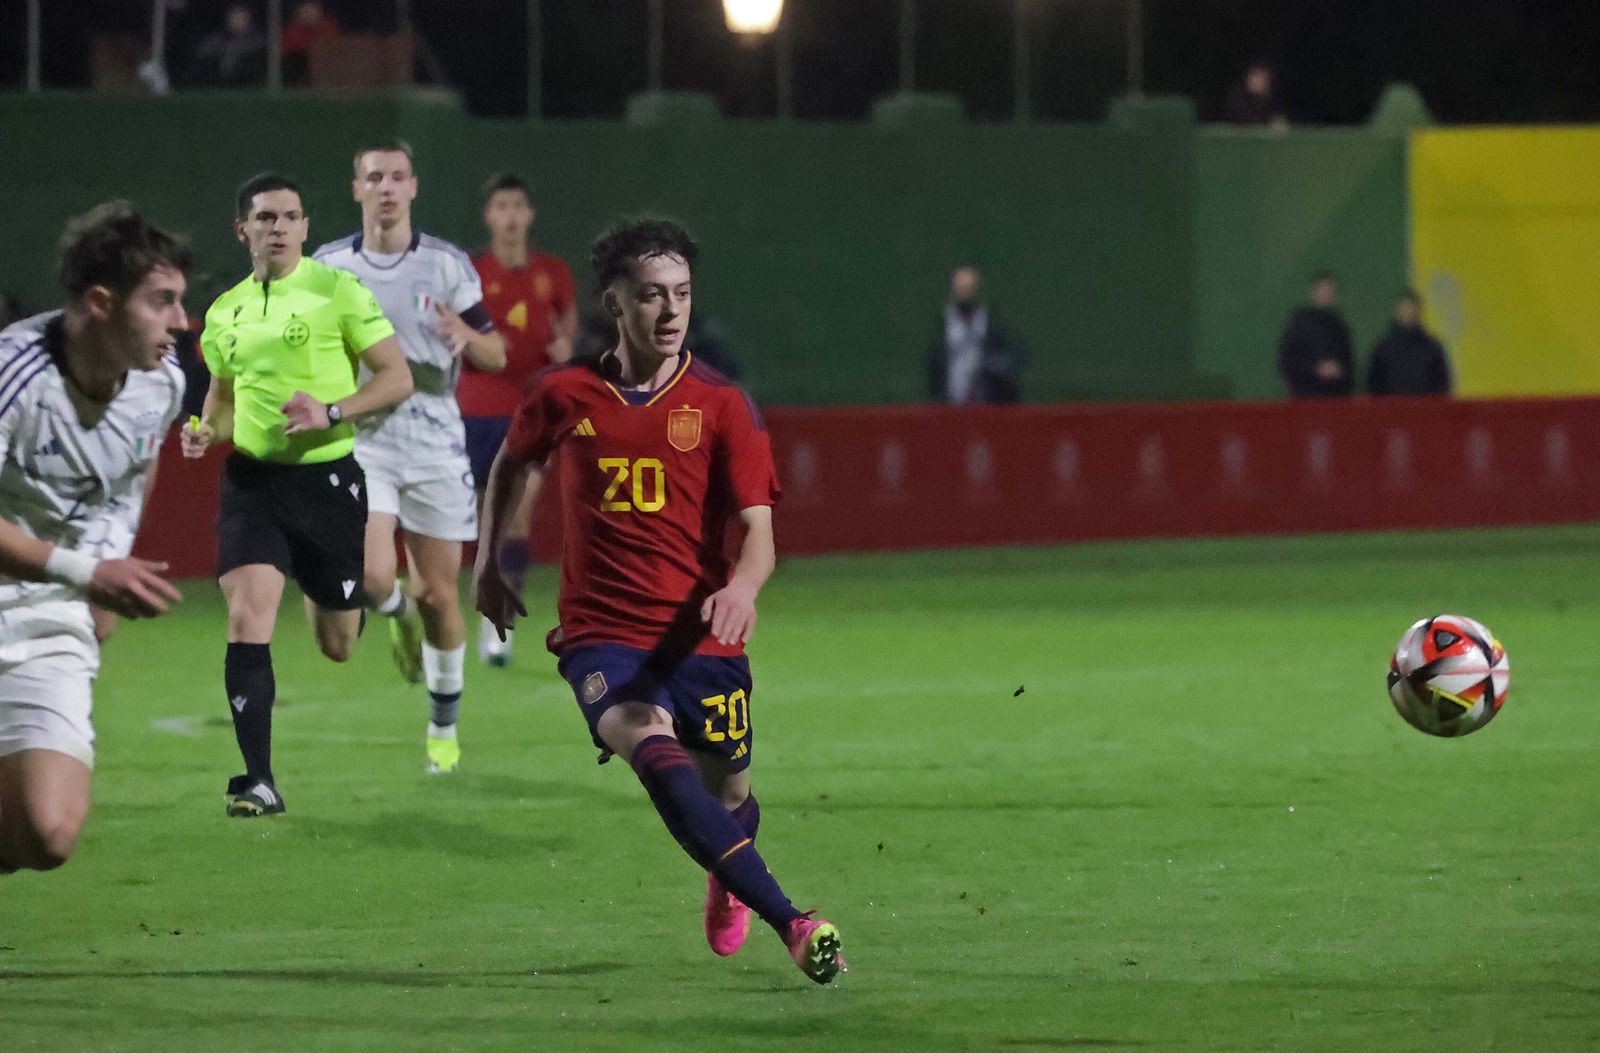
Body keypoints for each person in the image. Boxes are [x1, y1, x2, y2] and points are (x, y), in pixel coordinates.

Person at [474, 216, 846, 985]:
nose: (671, 309)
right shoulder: (564, 393)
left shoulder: (722, 403)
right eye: (651, 294)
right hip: (602, 636)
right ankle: (794, 921)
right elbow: (512, 462)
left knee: (729, 791)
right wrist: (489, 563)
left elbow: (760, 531)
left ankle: (726, 871)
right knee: (653, 752)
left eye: (681, 293)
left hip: (702, 638)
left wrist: (742, 586)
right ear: (614, 301)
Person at [184, 173, 413, 817]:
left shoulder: (338, 291)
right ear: (243, 229)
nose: (278, 228)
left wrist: (331, 411)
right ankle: (259, 780)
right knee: (246, 616)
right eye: (265, 217)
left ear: (306, 227)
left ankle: (378, 600)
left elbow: (396, 378)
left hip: (327, 484)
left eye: (289, 217)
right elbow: (222, 401)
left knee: (338, 645)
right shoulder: (224, 312)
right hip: (253, 484)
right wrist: (206, 432)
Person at [0, 201, 190, 872]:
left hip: (48, 613)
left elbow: (139, 465)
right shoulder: (14, 376)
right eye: (162, 301)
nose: (181, 321)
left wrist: (110, 558)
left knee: (48, 836)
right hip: (53, 580)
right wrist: (88, 573)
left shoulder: (161, 385)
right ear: (102, 303)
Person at [313, 141, 505, 774]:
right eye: (375, 178)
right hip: (362, 439)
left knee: (439, 596)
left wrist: (468, 335)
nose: (387, 188)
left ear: (414, 187)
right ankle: (392, 611)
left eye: (397, 177)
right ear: (357, 189)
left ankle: (442, 729)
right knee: (372, 578)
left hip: (433, 443)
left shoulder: (446, 265)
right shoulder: (330, 266)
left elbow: (497, 353)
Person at [461, 174, 575, 668]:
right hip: (475, 409)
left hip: (532, 412)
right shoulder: (469, 272)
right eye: (501, 206)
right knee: (487, 520)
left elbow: (567, 333)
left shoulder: (553, 272)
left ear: (529, 215)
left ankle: (499, 622)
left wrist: (566, 353)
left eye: (517, 206)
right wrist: (476, 343)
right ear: (489, 216)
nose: (509, 215)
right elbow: (449, 329)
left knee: (519, 512)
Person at [927, 266, 1026, 405]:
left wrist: (994, 366)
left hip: (989, 405)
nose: (964, 294)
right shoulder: (941, 326)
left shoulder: (996, 323)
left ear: (978, 291)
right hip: (950, 407)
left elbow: (1018, 354)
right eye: (960, 289)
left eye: (969, 289)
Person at [1277, 271, 1355, 398]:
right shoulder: (1299, 324)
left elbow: (1349, 364)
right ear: (1314, 292)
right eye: (1323, 290)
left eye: (1330, 291)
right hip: (1305, 399)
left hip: (1335, 399)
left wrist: (1338, 371)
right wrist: (1316, 368)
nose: (1327, 294)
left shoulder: (1340, 327)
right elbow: (1287, 362)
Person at [1366, 290, 1453, 397]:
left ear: (1418, 311)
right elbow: (1373, 385)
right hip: (1391, 407)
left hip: (1424, 407)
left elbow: (1442, 385)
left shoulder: (1432, 348)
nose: (1408, 312)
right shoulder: (1383, 348)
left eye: (1411, 308)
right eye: (1404, 308)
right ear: (1397, 310)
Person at [186, 3, 267, 88]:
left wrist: (232, 53)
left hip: (244, 84)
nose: (238, 22)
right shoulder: (217, 38)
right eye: (235, 18)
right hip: (215, 84)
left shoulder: (257, 39)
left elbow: (256, 50)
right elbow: (202, 52)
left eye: (242, 18)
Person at [281, 0, 342, 86]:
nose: (309, 11)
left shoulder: (327, 26)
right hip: (296, 63)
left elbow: (334, 45)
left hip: (324, 63)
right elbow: (285, 49)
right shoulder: (293, 29)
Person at [1223, 61, 1288, 129]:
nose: (1259, 81)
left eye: (1262, 78)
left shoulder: (1274, 100)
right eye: (1255, 77)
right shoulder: (1236, 98)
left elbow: (1279, 118)